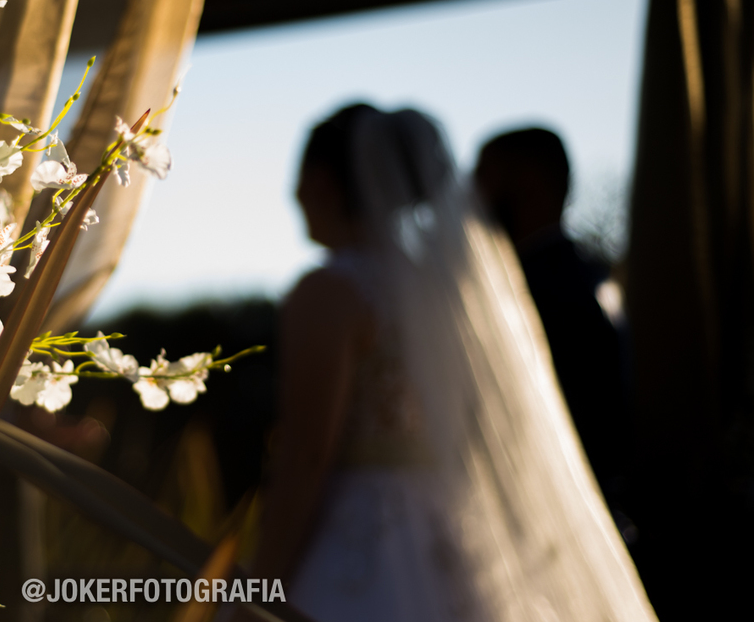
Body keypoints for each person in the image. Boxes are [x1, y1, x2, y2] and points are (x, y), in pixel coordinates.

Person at [246, 104, 655, 622]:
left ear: (325, 181)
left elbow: (306, 454)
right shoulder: (447, 295)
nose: (295, 195)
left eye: (301, 176)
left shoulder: (328, 292)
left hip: (359, 543)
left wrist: (256, 590)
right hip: (454, 537)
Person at [474, 129, 630, 504]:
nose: (471, 195)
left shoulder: (546, 292)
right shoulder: (583, 273)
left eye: (483, 176)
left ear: (527, 183)